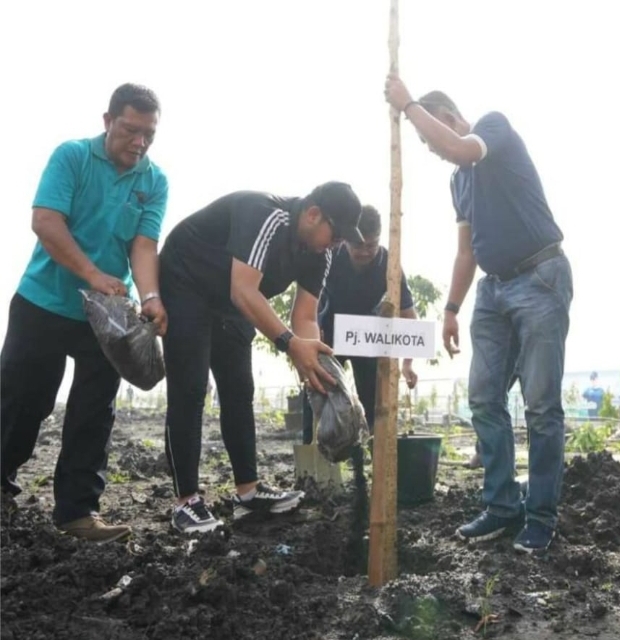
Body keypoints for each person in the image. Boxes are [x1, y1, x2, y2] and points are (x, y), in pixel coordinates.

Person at [385, 77, 573, 553]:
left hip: (540, 277)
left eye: (431, 141)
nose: (435, 152)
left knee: (541, 405)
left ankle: (541, 516)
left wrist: (407, 105)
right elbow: (466, 251)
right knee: (484, 398)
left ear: (447, 118)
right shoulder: (458, 181)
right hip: (493, 289)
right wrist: (450, 308)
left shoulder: (492, 129)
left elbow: (460, 149)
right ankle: (503, 504)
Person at [0, 84, 168, 543]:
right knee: (22, 399)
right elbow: (45, 222)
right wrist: (92, 273)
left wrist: (150, 295)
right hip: (43, 303)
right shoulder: (71, 157)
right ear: (108, 120)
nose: (140, 142)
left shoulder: (153, 181)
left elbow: (143, 245)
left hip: (107, 318)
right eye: (131, 130)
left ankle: (77, 511)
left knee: (94, 410)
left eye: (149, 134)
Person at [158, 182, 364, 534]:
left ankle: (248, 492)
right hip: (186, 280)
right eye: (336, 234)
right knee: (191, 388)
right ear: (313, 214)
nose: (337, 244)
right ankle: (186, 501)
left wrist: (318, 368)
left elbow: (306, 318)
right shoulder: (268, 217)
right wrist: (289, 343)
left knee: (239, 388)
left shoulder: (321, 253)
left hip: (230, 302)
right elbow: (244, 289)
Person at [300, 204, 419, 466]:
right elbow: (308, 305)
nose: (365, 252)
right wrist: (307, 346)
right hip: (329, 338)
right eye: (358, 245)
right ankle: (314, 457)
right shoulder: (331, 256)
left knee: (371, 402)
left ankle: (364, 460)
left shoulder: (390, 264)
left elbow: (410, 318)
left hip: (368, 340)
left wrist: (408, 363)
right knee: (317, 393)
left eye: (372, 245)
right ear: (347, 240)